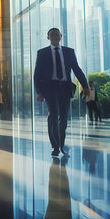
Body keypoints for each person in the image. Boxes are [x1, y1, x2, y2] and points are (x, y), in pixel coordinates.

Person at [34, 27, 88, 157]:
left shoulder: (69, 52)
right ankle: (55, 146)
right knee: (53, 114)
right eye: (52, 35)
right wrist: (39, 92)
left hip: (65, 87)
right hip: (50, 88)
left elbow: (76, 69)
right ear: (48, 38)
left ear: (61, 36)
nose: (55, 36)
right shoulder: (42, 53)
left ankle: (62, 144)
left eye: (57, 34)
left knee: (63, 117)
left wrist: (85, 85)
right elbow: (37, 74)